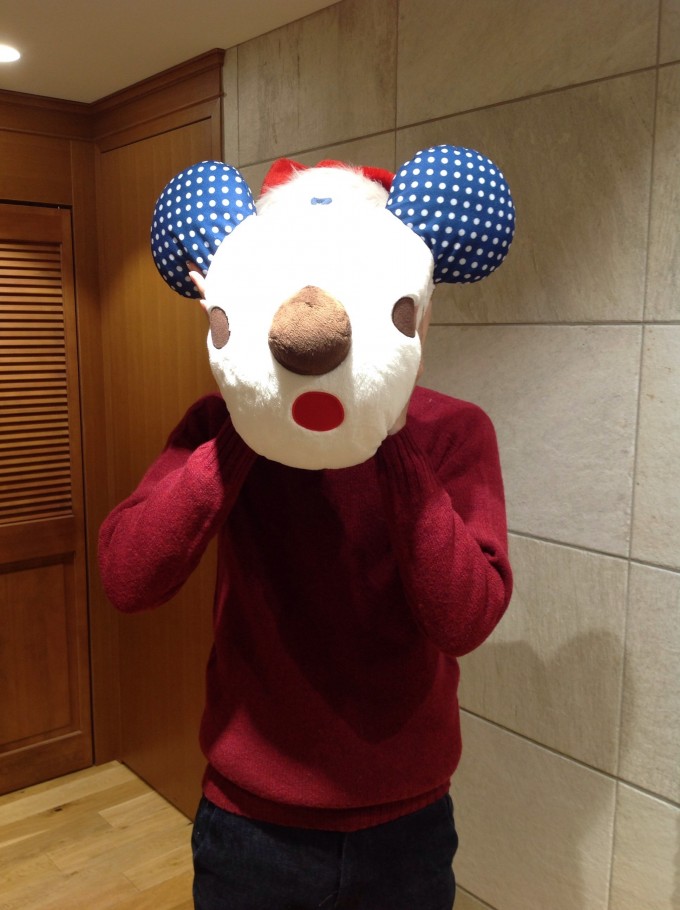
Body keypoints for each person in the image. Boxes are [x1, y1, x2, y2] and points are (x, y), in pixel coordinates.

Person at [99, 250, 512, 908]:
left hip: (406, 823)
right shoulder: (218, 426)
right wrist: (249, 421)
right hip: (251, 821)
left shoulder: (452, 432)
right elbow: (128, 576)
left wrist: (389, 428)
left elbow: (464, 620)